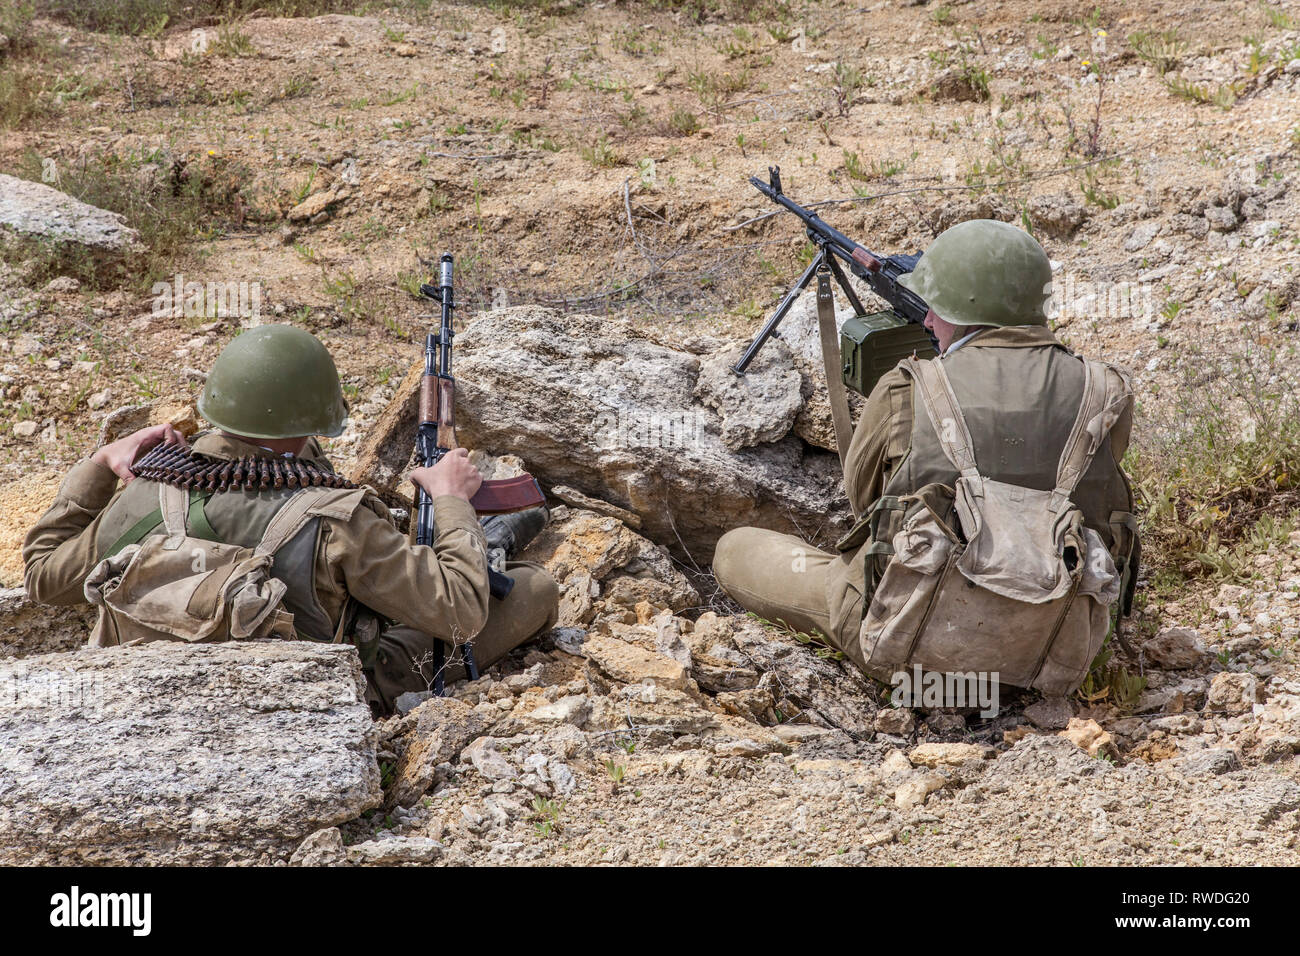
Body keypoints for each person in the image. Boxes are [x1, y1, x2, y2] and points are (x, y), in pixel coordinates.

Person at [23, 324, 558, 713]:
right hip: (306, 702)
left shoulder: (147, 489)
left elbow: (43, 577)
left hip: (148, 690)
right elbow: (460, 615)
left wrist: (100, 462)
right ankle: (479, 546)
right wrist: (451, 500)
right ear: (315, 421)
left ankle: (478, 546)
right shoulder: (338, 520)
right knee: (530, 588)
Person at [712, 219, 1139, 673]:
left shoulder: (909, 385)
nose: (928, 320)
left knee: (735, 548)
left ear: (963, 307)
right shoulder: (1106, 391)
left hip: (912, 633)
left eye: (935, 307)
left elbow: (865, 503)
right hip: (1060, 640)